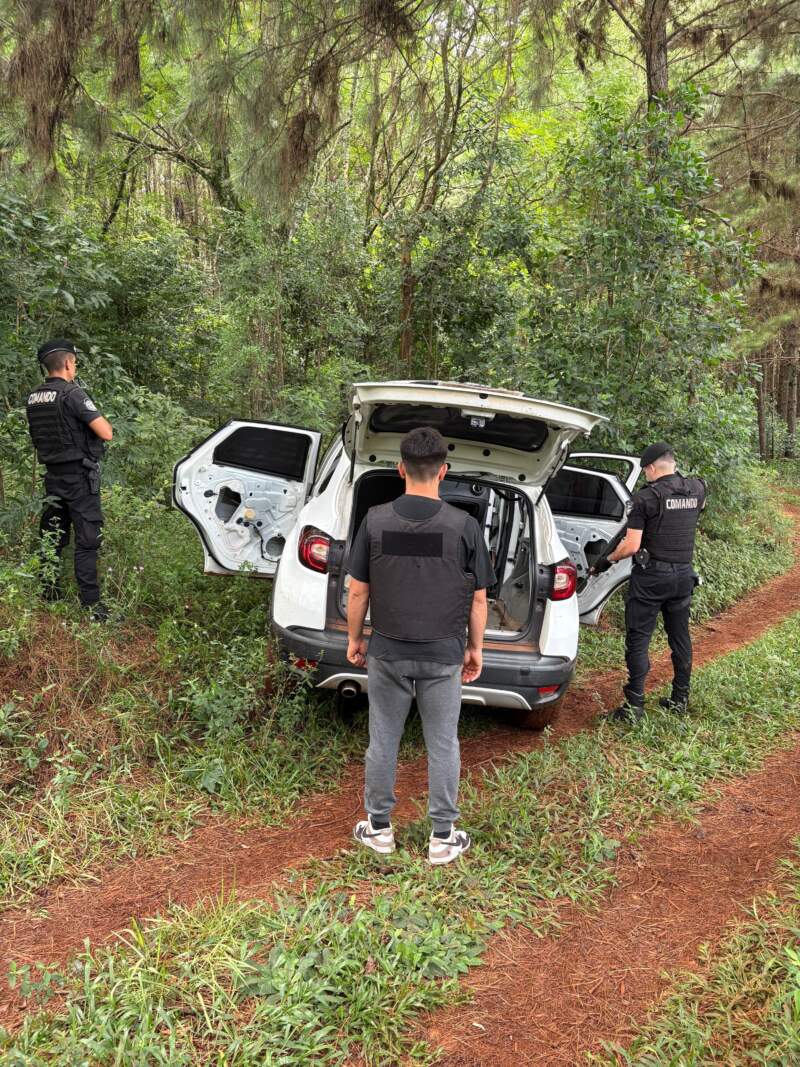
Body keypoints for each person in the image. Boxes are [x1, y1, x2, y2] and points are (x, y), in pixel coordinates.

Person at [345, 426, 495, 865]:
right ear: (443, 472)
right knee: (443, 743)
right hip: (443, 654)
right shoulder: (465, 526)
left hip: (388, 651)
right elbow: (479, 598)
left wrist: (356, 639)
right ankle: (442, 838)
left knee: (383, 740)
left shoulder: (374, 520)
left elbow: (358, 591)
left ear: (399, 469)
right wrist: (476, 649)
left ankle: (378, 829)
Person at [593, 442, 706, 722]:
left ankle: (634, 707)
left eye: (646, 471)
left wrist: (607, 560)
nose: (646, 475)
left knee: (639, 639)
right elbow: (695, 512)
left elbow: (631, 546)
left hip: (652, 578)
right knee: (679, 636)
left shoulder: (647, 498)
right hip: (683, 576)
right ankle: (680, 698)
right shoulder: (697, 488)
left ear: (653, 467)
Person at [25, 339, 113, 621]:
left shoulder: (34, 398)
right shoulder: (72, 394)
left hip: (53, 478)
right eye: (73, 363)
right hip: (79, 478)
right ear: (66, 363)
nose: (74, 368)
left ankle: (49, 594)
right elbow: (106, 432)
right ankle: (93, 608)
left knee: (52, 537)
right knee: (87, 541)